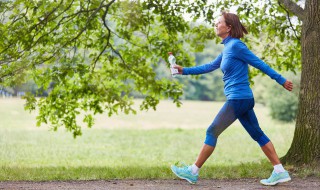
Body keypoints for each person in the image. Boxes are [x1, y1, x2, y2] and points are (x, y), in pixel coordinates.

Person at [170, 12, 293, 186]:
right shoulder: (227, 48)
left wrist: (281, 80)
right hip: (242, 99)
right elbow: (210, 66)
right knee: (257, 134)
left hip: (238, 99)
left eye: (219, 22)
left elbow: (259, 63)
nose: (215, 24)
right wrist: (184, 70)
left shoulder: (236, 46)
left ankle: (193, 171)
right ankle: (280, 171)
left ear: (228, 27)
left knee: (212, 131)